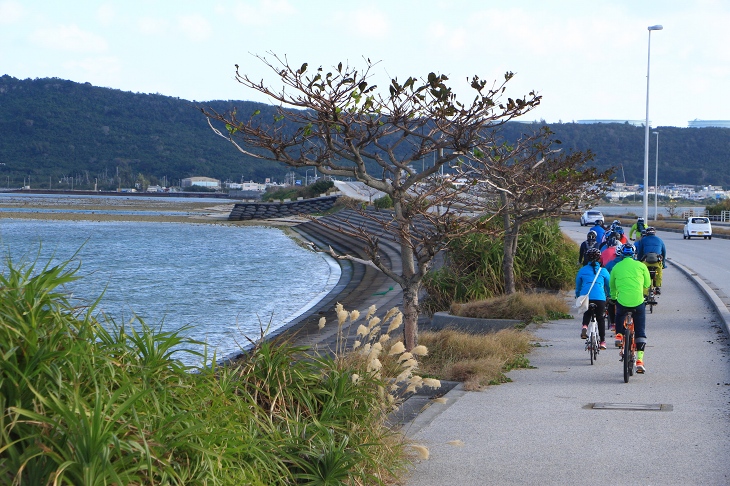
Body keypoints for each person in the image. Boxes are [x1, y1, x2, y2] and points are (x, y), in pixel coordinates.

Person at [609, 244, 651, 373]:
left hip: (622, 301)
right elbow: (647, 284)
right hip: (638, 302)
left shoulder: (616, 267)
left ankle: (619, 335)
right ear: (634, 254)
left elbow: (612, 286)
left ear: (621, 254)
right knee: (640, 331)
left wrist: (614, 297)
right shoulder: (641, 266)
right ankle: (639, 360)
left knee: (619, 313)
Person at [575, 247, 611, 349]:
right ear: (600, 258)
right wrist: (610, 296)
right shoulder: (603, 271)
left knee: (587, 312)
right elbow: (609, 286)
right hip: (600, 298)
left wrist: (578, 296)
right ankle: (603, 341)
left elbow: (578, 287)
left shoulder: (582, 270)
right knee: (600, 318)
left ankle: (585, 327)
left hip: (586, 296)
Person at [635, 227, 667, 294]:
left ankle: (645, 293)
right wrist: (663, 263)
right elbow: (664, 252)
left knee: (643, 274)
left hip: (646, 262)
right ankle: (658, 287)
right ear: (654, 233)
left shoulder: (643, 240)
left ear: (646, 233)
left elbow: (640, 252)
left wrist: (639, 261)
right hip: (657, 261)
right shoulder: (660, 240)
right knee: (659, 272)